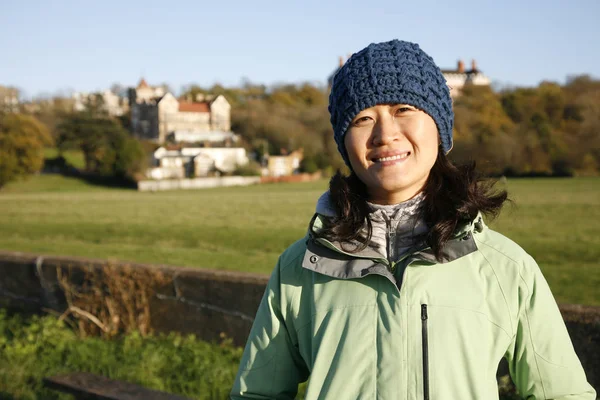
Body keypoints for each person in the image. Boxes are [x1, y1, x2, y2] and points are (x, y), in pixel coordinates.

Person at [230, 39, 596, 399]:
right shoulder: (299, 269)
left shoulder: (506, 268)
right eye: (363, 118)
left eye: (404, 109)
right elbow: (256, 393)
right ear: (345, 144)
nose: (385, 134)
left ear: (439, 127)